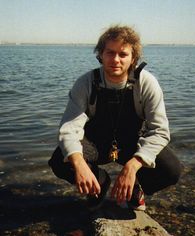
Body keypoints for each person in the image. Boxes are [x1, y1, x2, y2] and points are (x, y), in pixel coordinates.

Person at [48, 25, 181, 211]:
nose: (116, 60)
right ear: (100, 54)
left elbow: (160, 131)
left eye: (123, 54)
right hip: (97, 142)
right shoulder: (85, 83)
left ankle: (135, 188)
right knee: (60, 161)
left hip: (132, 141)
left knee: (171, 170)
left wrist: (133, 166)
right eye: (110, 52)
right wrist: (79, 163)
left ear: (133, 58)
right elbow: (69, 128)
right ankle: (99, 185)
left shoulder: (147, 83)